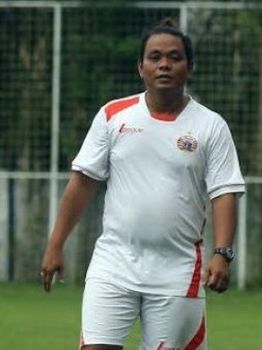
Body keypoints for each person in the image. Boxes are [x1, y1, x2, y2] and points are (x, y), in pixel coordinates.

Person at [40, 19, 245, 350]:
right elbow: (82, 182)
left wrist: (222, 253)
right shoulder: (113, 115)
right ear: (140, 67)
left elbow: (224, 192)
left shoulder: (211, 126)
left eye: (174, 57)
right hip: (113, 263)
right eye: (155, 57)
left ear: (189, 67)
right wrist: (54, 244)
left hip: (177, 271)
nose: (164, 64)